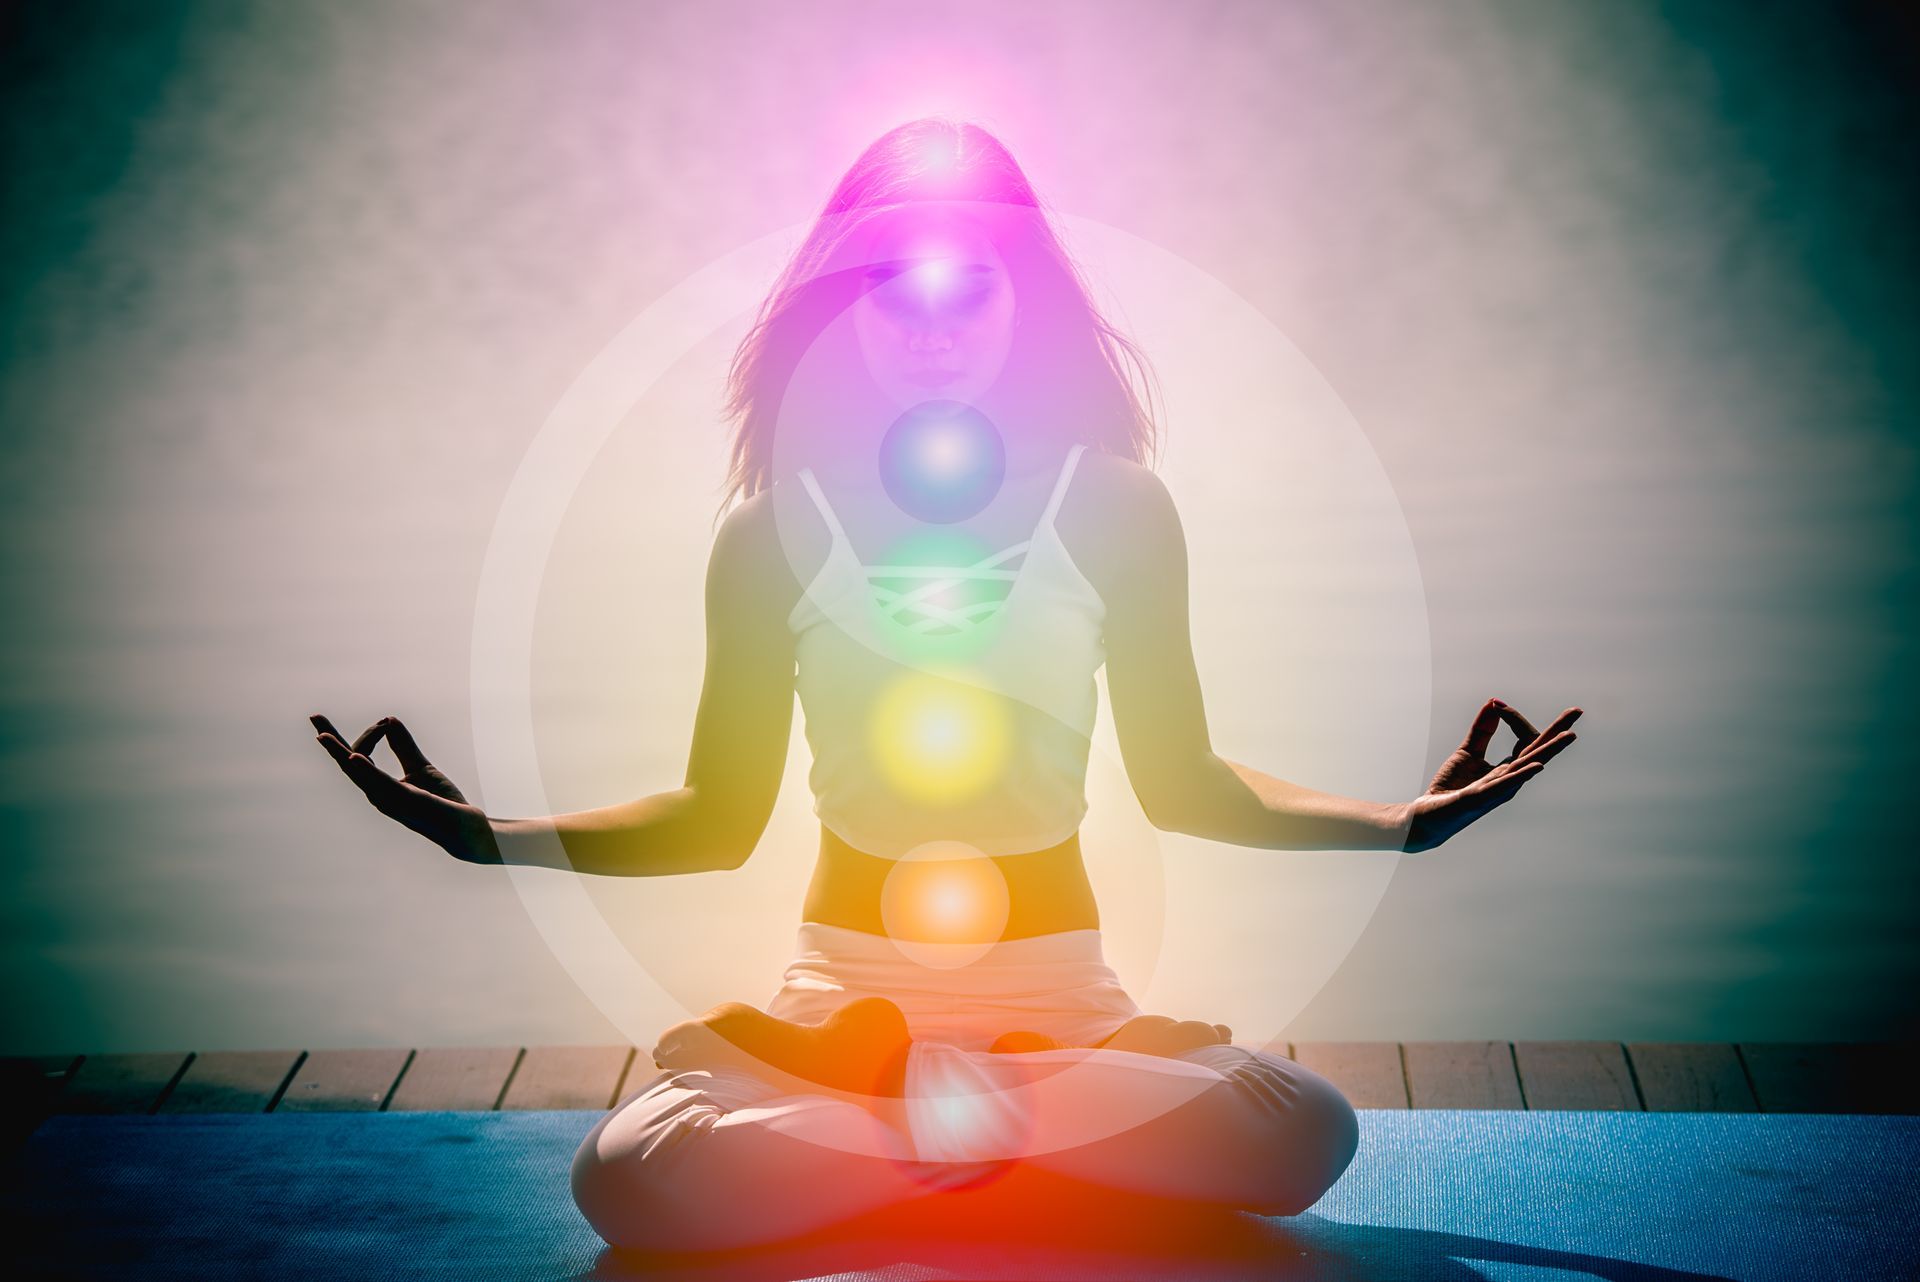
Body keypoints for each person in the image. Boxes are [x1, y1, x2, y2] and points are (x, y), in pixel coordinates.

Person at [311, 117, 1581, 1255]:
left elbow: (1187, 782)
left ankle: (925, 1129)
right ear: (846, 309)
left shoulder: (1118, 510)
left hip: (1064, 1000)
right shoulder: (769, 532)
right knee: (630, 1178)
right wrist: (490, 840)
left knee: (1306, 1132)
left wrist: (1397, 825)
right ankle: (995, 1128)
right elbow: (715, 815)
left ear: (1019, 301)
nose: (929, 331)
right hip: (837, 1002)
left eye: (966, 293)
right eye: (890, 294)